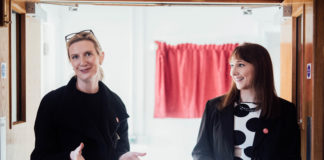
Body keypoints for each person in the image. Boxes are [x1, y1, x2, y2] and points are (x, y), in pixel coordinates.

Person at [31, 29, 146, 160]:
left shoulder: (115, 103)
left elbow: (121, 148)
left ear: (101, 57)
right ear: (70, 62)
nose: (82, 62)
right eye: (75, 57)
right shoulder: (52, 103)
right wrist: (70, 157)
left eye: (88, 54)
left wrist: (123, 156)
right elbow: (39, 157)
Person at [192, 43, 301, 160]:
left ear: (260, 67)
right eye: (232, 65)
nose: (233, 72)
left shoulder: (285, 110)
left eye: (240, 65)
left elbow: (291, 156)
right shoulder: (214, 106)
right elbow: (201, 152)